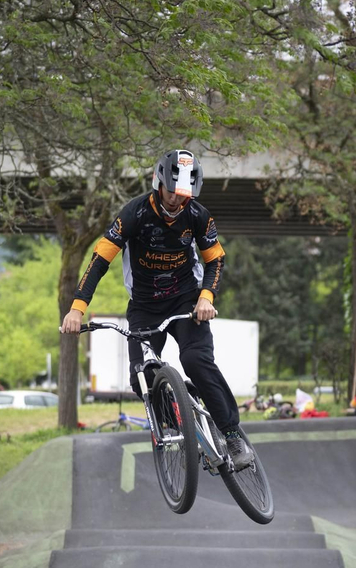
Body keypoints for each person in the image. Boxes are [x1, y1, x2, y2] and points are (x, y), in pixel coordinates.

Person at [61, 148, 255, 468]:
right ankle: (182, 427)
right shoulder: (134, 213)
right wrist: (76, 308)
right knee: (141, 377)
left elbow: (215, 260)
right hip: (144, 306)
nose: (177, 202)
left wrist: (206, 297)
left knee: (196, 360)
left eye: (184, 195)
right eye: (172, 192)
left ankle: (232, 435)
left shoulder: (198, 216)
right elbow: (99, 261)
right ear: (157, 182)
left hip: (185, 300)